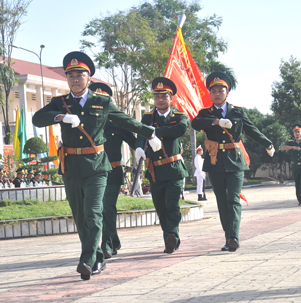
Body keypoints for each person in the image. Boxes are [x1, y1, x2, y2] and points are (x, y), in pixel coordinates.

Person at [33, 51, 161, 280]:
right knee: (81, 216)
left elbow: (125, 120)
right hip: (71, 167)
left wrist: (150, 133)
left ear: (89, 77)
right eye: (70, 75)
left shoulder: (101, 101)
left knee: (93, 212)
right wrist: (61, 117)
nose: (74, 79)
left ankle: (86, 260)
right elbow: (37, 119)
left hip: (97, 167)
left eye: (79, 74)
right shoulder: (59, 103)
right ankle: (97, 257)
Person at [191, 72, 274, 252]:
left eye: (221, 90)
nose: (217, 94)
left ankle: (234, 236)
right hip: (214, 161)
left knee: (233, 198)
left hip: (235, 161)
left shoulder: (237, 111)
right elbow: (195, 123)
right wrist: (216, 121)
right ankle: (228, 237)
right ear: (210, 94)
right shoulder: (206, 113)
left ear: (227, 92)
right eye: (214, 91)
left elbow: (251, 129)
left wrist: (268, 143)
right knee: (222, 201)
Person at [136, 77, 189, 254]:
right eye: (157, 96)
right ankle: (170, 237)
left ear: (171, 98)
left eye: (164, 96)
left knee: (172, 205)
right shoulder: (147, 118)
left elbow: (178, 131)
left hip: (173, 169)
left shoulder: (179, 117)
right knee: (160, 206)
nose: (160, 99)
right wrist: (138, 147)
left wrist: (152, 132)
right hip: (155, 170)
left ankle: (171, 236)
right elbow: (140, 135)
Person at [89, 82, 137, 259]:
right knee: (97, 209)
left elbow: (135, 142)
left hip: (113, 172)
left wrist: (141, 149)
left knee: (107, 207)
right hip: (92, 173)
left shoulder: (118, 124)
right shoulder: (84, 123)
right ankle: (114, 240)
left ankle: (106, 245)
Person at [282, 124, 301, 206]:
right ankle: (300, 199)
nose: (297, 134)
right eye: (295, 132)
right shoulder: (291, 143)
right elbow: (284, 147)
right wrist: (293, 147)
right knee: (297, 183)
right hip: (295, 166)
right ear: (293, 133)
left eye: (298, 132)